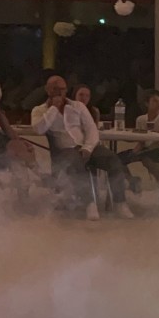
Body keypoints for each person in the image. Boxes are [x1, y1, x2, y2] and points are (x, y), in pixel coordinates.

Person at [31, 73, 133, 221]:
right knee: (75, 161)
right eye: (55, 89)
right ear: (47, 90)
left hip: (86, 146)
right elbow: (39, 129)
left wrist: (88, 148)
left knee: (113, 160)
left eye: (63, 89)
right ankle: (89, 204)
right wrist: (53, 108)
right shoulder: (39, 110)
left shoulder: (77, 106)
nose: (60, 92)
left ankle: (120, 203)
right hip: (64, 151)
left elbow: (92, 129)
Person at [118, 89, 159, 183]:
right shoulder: (141, 119)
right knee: (118, 158)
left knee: (145, 157)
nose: (158, 104)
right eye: (155, 101)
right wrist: (135, 151)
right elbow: (141, 140)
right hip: (145, 149)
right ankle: (132, 180)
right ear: (147, 103)